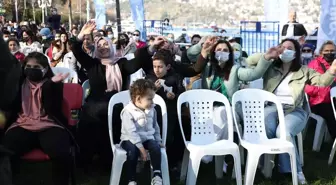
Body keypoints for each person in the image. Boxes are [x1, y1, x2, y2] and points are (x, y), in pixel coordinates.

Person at [247, 38, 336, 184]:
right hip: (271, 107)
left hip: (294, 109)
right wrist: (268, 55)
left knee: (283, 132)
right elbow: (250, 62)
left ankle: (295, 171)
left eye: (289, 48)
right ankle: (266, 166)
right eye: (282, 47)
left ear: (295, 53)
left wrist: (332, 71)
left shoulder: (304, 70)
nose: (285, 50)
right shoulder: (270, 67)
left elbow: (322, 81)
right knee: (266, 130)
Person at [2, 52, 71, 185]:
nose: (31, 70)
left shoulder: (54, 84)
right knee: (7, 150)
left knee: (61, 152)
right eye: (28, 66)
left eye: (36, 66)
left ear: (45, 69)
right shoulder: (18, 83)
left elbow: (53, 106)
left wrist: (50, 84)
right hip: (22, 124)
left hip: (49, 124)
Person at [120, 79, 164, 185]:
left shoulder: (152, 109)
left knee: (155, 147)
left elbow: (155, 126)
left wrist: (158, 140)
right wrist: (141, 149)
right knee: (132, 151)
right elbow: (131, 133)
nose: (152, 102)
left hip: (147, 138)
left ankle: (157, 175)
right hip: (130, 139)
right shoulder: (128, 112)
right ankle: (132, 179)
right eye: (150, 99)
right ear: (139, 99)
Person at [305, 41, 336, 139]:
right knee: (331, 114)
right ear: (321, 52)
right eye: (327, 51)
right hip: (319, 102)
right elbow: (305, 86)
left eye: (332, 51)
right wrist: (320, 91)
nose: (329, 53)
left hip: (334, 99)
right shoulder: (314, 64)